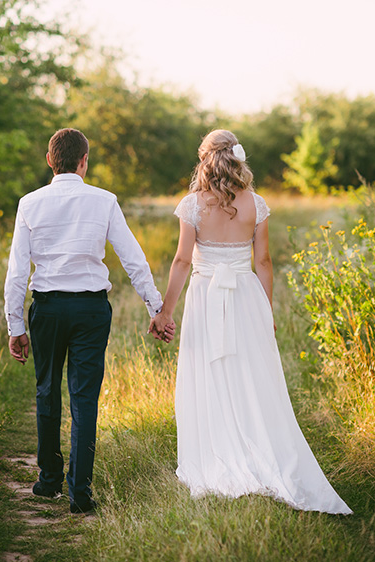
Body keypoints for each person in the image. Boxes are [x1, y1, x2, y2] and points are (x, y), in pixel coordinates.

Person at [149, 129, 352, 514]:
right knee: (251, 376)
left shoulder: (192, 205)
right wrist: (266, 309)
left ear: (204, 159)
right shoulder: (256, 204)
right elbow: (263, 262)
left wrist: (166, 311)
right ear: (237, 158)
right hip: (246, 297)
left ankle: (217, 455)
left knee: (210, 375)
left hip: (206, 297)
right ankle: (258, 452)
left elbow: (180, 261)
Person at [4, 128, 174, 514]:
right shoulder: (104, 201)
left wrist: (16, 326)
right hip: (91, 311)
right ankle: (79, 492)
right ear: (84, 161)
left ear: (50, 160)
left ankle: (48, 481)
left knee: (47, 391)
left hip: (46, 309)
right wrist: (155, 308)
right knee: (84, 398)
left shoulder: (29, 203)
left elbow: (17, 271)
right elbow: (133, 258)